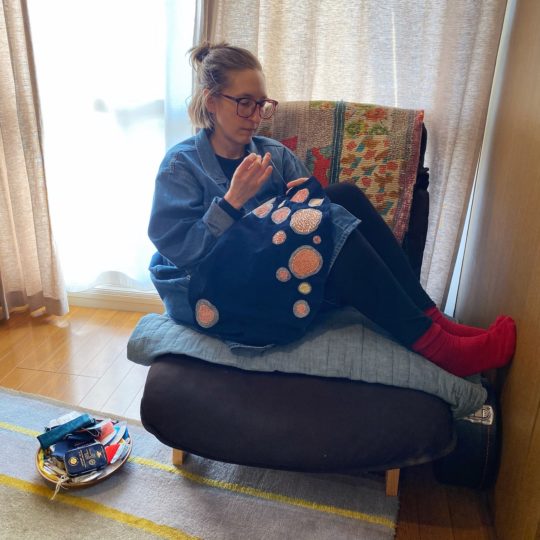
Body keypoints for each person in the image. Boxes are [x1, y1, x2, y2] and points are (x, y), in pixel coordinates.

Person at [148, 41, 516, 378]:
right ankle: (438, 346)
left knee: (343, 195)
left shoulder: (272, 154)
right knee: (320, 212)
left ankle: (432, 318)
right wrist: (232, 201)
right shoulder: (181, 166)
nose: (255, 115)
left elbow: (319, 215)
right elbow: (183, 253)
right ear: (212, 101)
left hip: (272, 272)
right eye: (244, 102)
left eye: (261, 104)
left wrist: (303, 199)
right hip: (211, 290)